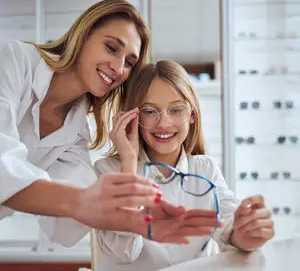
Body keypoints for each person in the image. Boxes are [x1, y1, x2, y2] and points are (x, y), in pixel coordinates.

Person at [0, 0, 218, 246]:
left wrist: (132, 219)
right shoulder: (16, 61)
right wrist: (83, 201)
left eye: (129, 62)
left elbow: (66, 227)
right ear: (84, 34)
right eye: (112, 48)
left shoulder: (76, 132)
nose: (118, 67)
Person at [94, 60, 275, 271]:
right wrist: (129, 164)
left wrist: (247, 232)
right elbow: (123, 253)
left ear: (191, 115)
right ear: (133, 117)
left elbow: (229, 229)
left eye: (176, 110)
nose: (163, 123)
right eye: (150, 111)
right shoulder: (109, 171)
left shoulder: (205, 169)